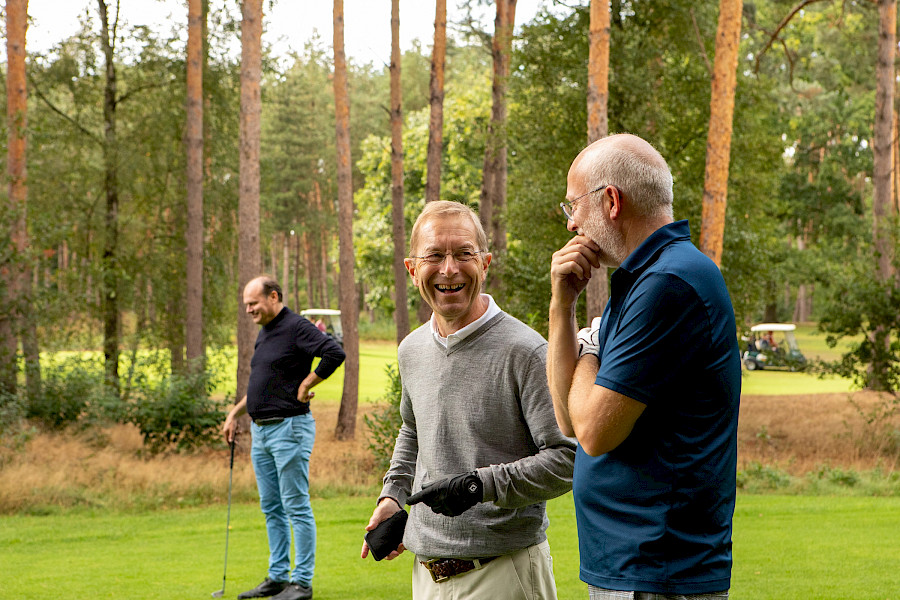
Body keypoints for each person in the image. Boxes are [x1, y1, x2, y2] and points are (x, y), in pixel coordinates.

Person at [546, 134, 741, 599]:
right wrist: (561, 307)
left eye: (573, 205)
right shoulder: (642, 280)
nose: (572, 223)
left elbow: (593, 432)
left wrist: (590, 348)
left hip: (658, 569)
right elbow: (566, 420)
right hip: (635, 568)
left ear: (611, 200)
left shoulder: (669, 282)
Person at [361, 200, 576, 600]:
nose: (449, 269)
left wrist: (481, 485)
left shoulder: (526, 351)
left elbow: (567, 459)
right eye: (434, 256)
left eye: (464, 254)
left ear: (486, 263)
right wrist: (393, 493)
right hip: (425, 577)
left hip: (504, 572)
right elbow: (413, 429)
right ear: (412, 269)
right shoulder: (411, 350)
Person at [223, 276, 345, 600]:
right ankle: (278, 576)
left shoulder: (296, 326)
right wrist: (235, 414)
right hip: (261, 433)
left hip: (289, 429)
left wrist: (307, 384)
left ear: (273, 296)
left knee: (296, 507)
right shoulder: (265, 334)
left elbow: (334, 352)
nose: (249, 310)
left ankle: (301, 582)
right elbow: (265, 385)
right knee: (271, 507)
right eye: (246, 305)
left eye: (253, 303)